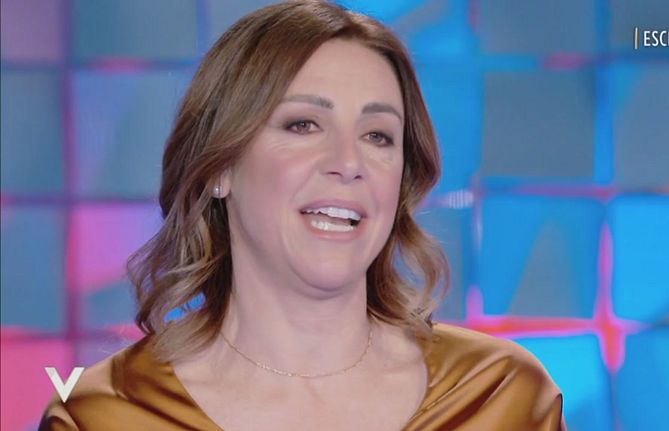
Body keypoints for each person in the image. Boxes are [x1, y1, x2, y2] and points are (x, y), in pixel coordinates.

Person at [40, 1, 565, 430]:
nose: (349, 163)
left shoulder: (500, 398)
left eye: (377, 136)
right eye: (303, 125)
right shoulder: (107, 416)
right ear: (219, 167)